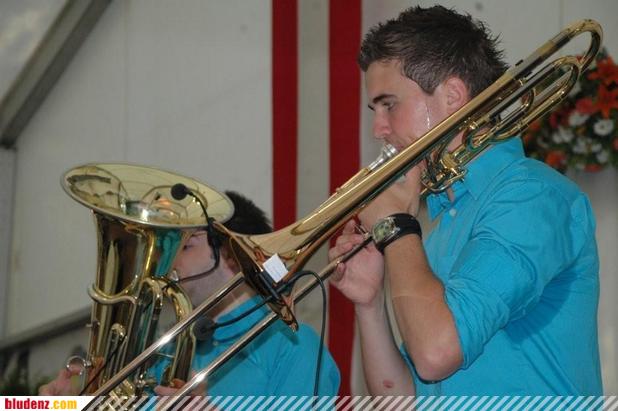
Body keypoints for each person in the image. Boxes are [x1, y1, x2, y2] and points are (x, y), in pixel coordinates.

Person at [328, 5, 602, 395]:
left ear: (453, 96)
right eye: (375, 109)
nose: (378, 129)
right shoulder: (442, 225)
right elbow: (399, 399)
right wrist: (369, 304)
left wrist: (396, 227)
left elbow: (436, 353)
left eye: (390, 104)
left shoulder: (531, 196)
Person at [40, 191, 340, 398]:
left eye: (185, 246)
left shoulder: (294, 346)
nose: (169, 263)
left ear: (232, 255)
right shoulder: (165, 353)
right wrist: (67, 404)